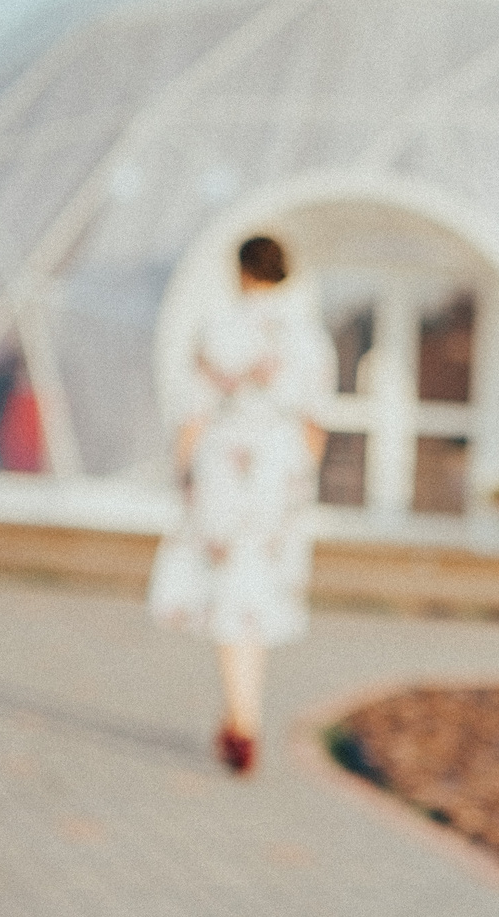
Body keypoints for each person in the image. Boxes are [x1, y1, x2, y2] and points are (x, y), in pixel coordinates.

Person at [148, 234, 332, 775]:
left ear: (242, 272)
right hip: (280, 468)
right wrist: (302, 478)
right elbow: (316, 419)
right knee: (256, 589)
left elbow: (194, 411)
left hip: (226, 465)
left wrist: (184, 470)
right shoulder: (310, 339)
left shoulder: (220, 328)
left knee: (231, 589)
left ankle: (243, 721)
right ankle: (243, 715)